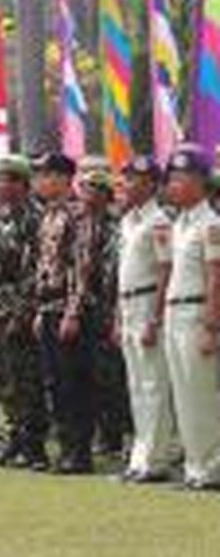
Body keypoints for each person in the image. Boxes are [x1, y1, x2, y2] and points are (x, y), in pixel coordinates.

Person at [0, 154, 47, 470]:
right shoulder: (4, 217)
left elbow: (34, 272)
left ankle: (33, 446)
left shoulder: (33, 217)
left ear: (22, 183)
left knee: (27, 381)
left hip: (19, 312)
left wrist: (20, 313)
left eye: (7, 180)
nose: (0, 187)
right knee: (6, 380)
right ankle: (15, 438)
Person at [158, 144, 220, 491]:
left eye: (180, 179)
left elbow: (216, 276)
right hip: (174, 311)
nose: (172, 186)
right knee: (182, 393)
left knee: (201, 394)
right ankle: (195, 466)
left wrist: (212, 325)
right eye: (171, 179)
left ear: (200, 182)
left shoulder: (210, 224)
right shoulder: (179, 223)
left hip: (197, 312)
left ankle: (211, 468)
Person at [32, 151, 94, 475]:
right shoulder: (48, 215)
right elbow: (44, 266)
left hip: (69, 309)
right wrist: (39, 310)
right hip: (48, 305)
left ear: (60, 177)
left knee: (73, 381)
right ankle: (66, 447)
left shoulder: (77, 213)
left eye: (43, 174)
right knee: (54, 381)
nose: (38, 181)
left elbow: (81, 267)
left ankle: (79, 451)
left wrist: (73, 311)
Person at [115, 155, 175, 484]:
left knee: (153, 384)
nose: (126, 184)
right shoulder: (129, 220)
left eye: (134, 179)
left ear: (152, 184)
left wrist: (155, 317)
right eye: (125, 178)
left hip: (148, 301)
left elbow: (166, 269)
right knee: (136, 385)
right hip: (128, 304)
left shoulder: (159, 221)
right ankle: (140, 457)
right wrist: (118, 316)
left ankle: (156, 459)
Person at [76, 163, 127, 459]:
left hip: (108, 309)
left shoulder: (115, 226)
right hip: (85, 310)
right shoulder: (80, 224)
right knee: (89, 375)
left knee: (111, 377)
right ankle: (99, 432)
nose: (84, 193)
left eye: (92, 188)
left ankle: (114, 435)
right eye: (83, 187)